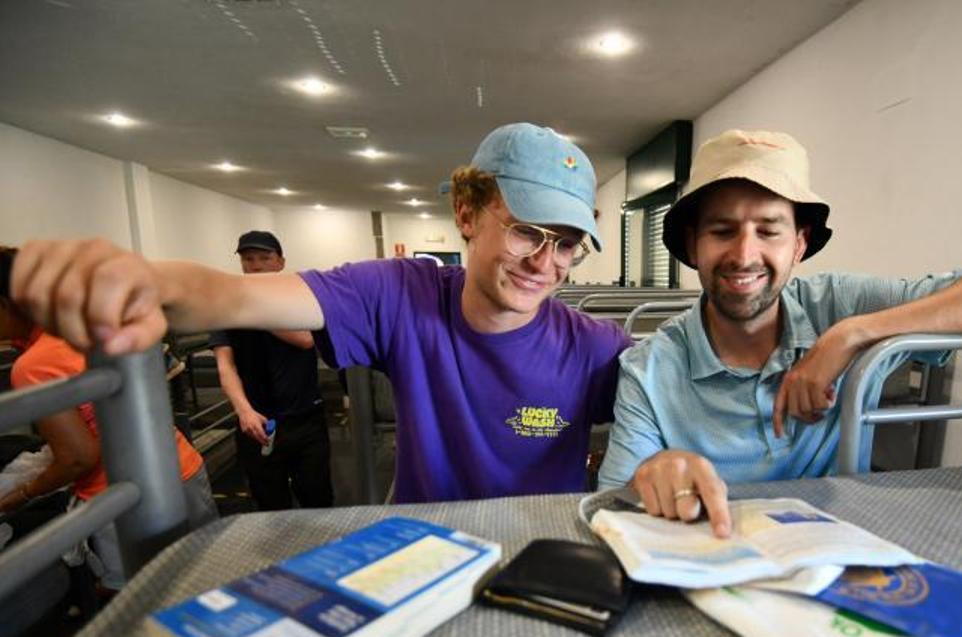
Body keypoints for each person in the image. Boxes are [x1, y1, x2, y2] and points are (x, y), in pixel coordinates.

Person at [6, 123, 631, 503]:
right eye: (526, 230)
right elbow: (232, 295)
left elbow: (691, 404)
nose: (545, 262)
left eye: (567, 243)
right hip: (427, 552)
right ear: (467, 215)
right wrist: (135, 279)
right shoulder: (400, 295)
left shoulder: (595, 347)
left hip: (539, 554)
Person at [597, 130, 962, 536]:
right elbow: (611, 508)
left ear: (800, 244)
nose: (744, 255)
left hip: (846, 551)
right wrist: (651, 475)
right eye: (722, 230)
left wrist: (851, 335)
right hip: (711, 554)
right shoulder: (649, 368)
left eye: (769, 231)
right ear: (692, 245)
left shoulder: (840, 306)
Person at [0, 247, 218, 588]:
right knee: (207, 581)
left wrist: (25, 492)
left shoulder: (33, 365)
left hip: (123, 499)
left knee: (144, 603)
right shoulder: (89, 327)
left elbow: (78, 458)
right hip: (180, 467)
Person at [209, 231, 333, 511]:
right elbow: (225, 366)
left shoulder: (299, 299)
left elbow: (305, 339)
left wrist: (253, 310)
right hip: (257, 423)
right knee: (269, 504)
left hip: (305, 418)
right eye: (248, 259)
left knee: (318, 499)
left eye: (264, 258)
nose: (256, 266)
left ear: (280, 262)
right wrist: (243, 410)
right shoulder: (226, 307)